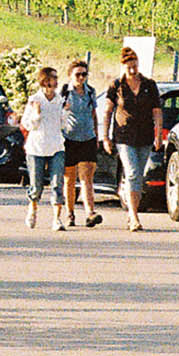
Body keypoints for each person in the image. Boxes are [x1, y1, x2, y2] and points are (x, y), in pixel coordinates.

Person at [105, 46, 164, 232]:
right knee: (131, 172)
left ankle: (133, 212)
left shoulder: (149, 85)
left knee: (138, 175)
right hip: (124, 135)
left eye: (135, 66)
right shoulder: (117, 86)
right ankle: (133, 215)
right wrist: (105, 137)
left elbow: (157, 111)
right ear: (123, 67)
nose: (132, 70)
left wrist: (158, 134)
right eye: (129, 67)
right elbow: (107, 111)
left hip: (145, 135)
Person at [18, 67, 70, 231]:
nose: (55, 81)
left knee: (57, 183)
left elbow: (63, 126)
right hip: (36, 147)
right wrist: (36, 114)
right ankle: (32, 209)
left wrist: (66, 113)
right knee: (37, 184)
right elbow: (27, 124)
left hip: (56, 146)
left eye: (56, 78)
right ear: (45, 80)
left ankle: (57, 219)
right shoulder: (35, 99)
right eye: (52, 78)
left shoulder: (59, 100)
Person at [59, 60, 105, 229]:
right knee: (69, 179)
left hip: (88, 137)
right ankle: (70, 213)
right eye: (77, 74)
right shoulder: (64, 92)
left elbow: (94, 114)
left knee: (87, 178)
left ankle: (90, 213)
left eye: (84, 74)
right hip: (69, 139)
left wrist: (97, 136)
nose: (81, 77)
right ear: (70, 75)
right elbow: (57, 113)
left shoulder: (90, 92)